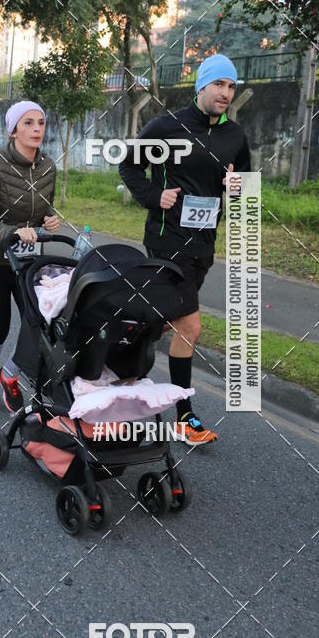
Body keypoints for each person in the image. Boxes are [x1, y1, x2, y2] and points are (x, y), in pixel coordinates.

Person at [119, 54, 251, 446]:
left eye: (231, 87)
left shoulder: (235, 136)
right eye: (220, 85)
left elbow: (244, 182)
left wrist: (236, 187)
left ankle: (117, 376)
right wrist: (153, 195)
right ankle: (185, 417)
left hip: (205, 243)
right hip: (166, 239)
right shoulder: (166, 127)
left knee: (161, 323)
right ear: (201, 86)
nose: (226, 93)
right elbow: (129, 167)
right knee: (190, 325)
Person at [0, 100, 60, 410]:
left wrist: (49, 219)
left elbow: (43, 207)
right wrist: (9, 233)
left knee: (39, 322)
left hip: (28, 261)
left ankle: (10, 374)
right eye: (28, 123)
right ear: (13, 130)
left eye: (41, 123)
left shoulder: (48, 166)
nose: (36, 129)